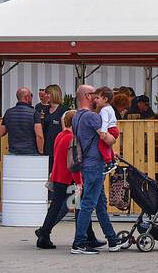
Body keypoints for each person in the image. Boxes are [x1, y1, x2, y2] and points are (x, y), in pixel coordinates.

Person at [70, 84, 127, 255]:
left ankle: (112, 240)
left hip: (87, 164)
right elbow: (107, 138)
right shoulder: (93, 118)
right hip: (95, 165)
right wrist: (114, 139)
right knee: (88, 204)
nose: (96, 98)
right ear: (88, 96)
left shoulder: (76, 117)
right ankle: (79, 243)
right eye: (94, 94)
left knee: (100, 204)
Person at [35, 111, 79, 249]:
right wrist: (79, 181)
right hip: (68, 179)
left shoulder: (60, 135)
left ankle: (44, 233)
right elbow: (74, 162)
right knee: (77, 206)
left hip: (58, 176)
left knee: (55, 207)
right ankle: (82, 237)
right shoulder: (73, 139)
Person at [0, 87, 42, 156]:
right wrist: (41, 151)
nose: (32, 98)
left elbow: (0, 133)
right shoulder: (34, 113)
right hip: (31, 153)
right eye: (31, 95)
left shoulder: (9, 112)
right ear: (27, 97)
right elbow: (39, 135)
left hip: (13, 152)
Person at [35, 85, 67, 173]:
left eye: (48, 93)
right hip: (47, 148)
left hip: (59, 148)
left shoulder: (63, 110)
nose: (45, 95)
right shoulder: (45, 110)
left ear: (54, 94)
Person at [92, 87, 119, 162]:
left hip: (109, 129)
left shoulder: (104, 110)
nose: (95, 100)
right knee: (107, 145)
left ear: (105, 99)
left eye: (97, 98)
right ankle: (112, 158)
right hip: (114, 129)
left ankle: (108, 161)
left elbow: (105, 121)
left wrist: (103, 131)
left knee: (102, 146)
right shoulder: (109, 108)